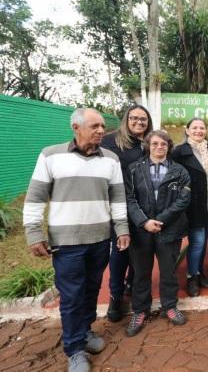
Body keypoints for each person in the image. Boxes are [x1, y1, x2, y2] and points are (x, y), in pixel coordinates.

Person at [23, 108, 130, 372]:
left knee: (92, 288)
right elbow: (35, 196)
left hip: (99, 239)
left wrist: (122, 228)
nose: (101, 131)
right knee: (71, 295)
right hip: (66, 241)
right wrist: (34, 232)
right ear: (76, 127)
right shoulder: (51, 155)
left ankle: (85, 331)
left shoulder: (111, 160)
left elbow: (117, 199)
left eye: (103, 126)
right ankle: (75, 349)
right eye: (94, 126)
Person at [124, 130, 191, 337]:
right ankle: (140, 310)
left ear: (169, 147)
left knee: (168, 271)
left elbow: (183, 200)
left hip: (169, 230)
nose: (159, 147)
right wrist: (144, 222)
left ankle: (169, 306)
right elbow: (129, 199)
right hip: (141, 231)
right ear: (148, 146)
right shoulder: (134, 169)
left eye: (163, 144)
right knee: (141, 273)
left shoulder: (180, 171)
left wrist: (160, 220)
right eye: (155, 144)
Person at [101, 105, 153, 322]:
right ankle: (116, 295)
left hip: (144, 207)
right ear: (126, 119)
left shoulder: (149, 144)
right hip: (119, 205)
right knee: (119, 251)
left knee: (139, 249)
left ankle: (132, 282)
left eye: (143, 119)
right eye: (134, 118)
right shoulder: (110, 142)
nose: (139, 122)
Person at [172, 118, 208, 296]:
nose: (198, 131)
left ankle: (198, 272)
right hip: (192, 207)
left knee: (204, 242)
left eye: (202, 128)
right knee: (197, 243)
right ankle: (191, 277)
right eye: (195, 128)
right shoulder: (179, 152)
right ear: (187, 130)